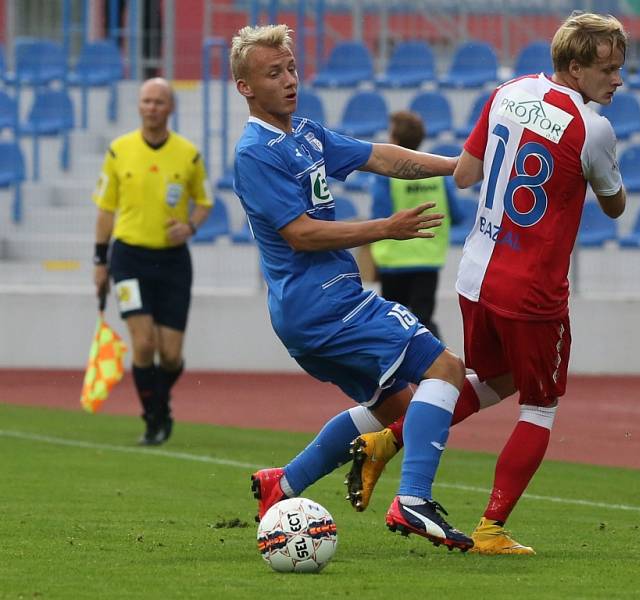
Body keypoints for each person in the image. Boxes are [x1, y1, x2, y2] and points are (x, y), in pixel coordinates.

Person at [345, 10, 628, 555]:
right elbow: (614, 207)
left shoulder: (507, 91)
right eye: (608, 70)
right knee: (540, 406)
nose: (617, 80)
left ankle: (387, 440)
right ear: (574, 67)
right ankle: (492, 526)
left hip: (477, 275)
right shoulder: (594, 128)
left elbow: (466, 174)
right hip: (534, 289)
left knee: (494, 378)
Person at [229, 24, 473, 551]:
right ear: (245, 86)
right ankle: (413, 502)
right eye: (274, 73)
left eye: (291, 68)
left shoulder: (306, 134)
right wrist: (385, 227)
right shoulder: (255, 151)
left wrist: (456, 167)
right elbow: (300, 234)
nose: (290, 81)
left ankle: (283, 484)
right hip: (325, 304)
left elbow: (380, 156)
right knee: (446, 369)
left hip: (315, 311)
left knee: (397, 409)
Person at [92, 78, 212, 446]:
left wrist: (189, 227)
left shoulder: (188, 154)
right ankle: (153, 418)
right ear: (139, 106)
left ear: (171, 107)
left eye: (159, 101)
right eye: (146, 101)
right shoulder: (119, 151)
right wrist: (100, 259)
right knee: (143, 345)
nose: (152, 107)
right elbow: (105, 209)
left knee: (171, 355)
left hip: (173, 262)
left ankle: (159, 403)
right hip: (128, 258)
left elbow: (205, 203)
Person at [369, 111, 466, 339]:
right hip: (427, 259)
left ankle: (396, 373)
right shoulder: (437, 172)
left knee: (393, 324)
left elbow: (379, 214)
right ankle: (441, 370)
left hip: (393, 261)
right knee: (424, 321)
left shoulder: (385, 174)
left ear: (394, 139)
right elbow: (458, 215)